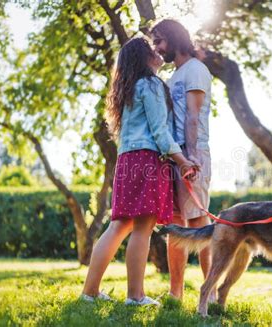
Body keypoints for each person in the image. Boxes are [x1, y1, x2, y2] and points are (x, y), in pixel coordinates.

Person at [80, 37, 198, 306]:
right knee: (142, 228)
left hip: (126, 160)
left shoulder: (129, 87)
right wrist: (182, 161)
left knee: (119, 226)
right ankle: (135, 296)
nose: (157, 51)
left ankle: (89, 292)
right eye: (151, 49)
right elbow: (159, 131)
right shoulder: (152, 85)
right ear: (143, 58)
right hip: (147, 160)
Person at [150, 19, 214, 300]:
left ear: (175, 39)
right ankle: (175, 293)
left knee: (199, 222)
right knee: (175, 224)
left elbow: (193, 115)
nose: (157, 48)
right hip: (175, 157)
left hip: (193, 154)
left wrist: (190, 159)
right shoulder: (173, 76)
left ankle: (209, 292)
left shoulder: (196, 70)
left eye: (160, 41)